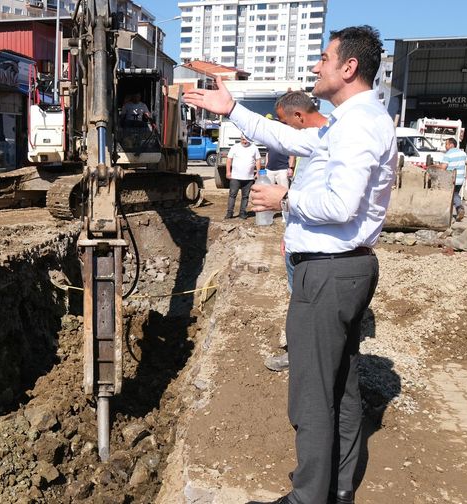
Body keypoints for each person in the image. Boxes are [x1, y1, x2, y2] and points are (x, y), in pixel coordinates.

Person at [185, 25, 396, 504]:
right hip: (341, 269)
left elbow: (342, 205)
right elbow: (289, 136)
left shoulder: (360, 123)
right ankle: (337, 488)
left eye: (325, 58)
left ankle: (307, 498)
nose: (317, 66)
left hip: (328, 271)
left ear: (349, 67)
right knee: (339, 389)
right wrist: (234, 110)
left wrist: (286, 197)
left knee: (311, 396)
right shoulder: (348, 120)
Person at [264, 91, 330, 373]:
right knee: (299, 301)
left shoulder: (329, 145)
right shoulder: (310, 147)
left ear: (299, 116)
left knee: (306, 306)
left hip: (316, 250)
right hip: (298, 240)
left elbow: (332, 205)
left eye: (285, 122)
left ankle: (303, 357)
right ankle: (302, 353)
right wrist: (288, 235)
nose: (286, 130)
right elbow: (300, 192)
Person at [435, 137, 467, 222]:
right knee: (455, 194)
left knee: (448, 195)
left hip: (450, 179)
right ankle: (458, 210)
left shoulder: (448, 154)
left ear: (451, 145)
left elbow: (443, 168)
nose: (445, 146)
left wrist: (435, 166)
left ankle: (448, 212)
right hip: (460, 180)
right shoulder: (463, 153)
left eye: (446, 144)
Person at [225, 135, 262, 219]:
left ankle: (242, 213)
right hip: (235, 177)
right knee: (232, 195)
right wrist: (228, 172)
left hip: (248, 178)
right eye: (242, 140)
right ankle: (229, 213)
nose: (244, 142)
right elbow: (229, 159)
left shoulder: (254, 148)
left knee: (245, 196)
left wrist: (258, 172)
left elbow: (258, 160)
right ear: (240, 139)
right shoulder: (235, 147)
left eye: (246, 140)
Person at [264, 113, 295, 188]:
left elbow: (292, 155)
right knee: (268, 191)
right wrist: (266, 167)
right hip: (269, 169)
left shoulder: (287, 138)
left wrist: (290, 168)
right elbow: (268, 153)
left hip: (283, 169)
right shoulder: (270, 138)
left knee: (284, 192)